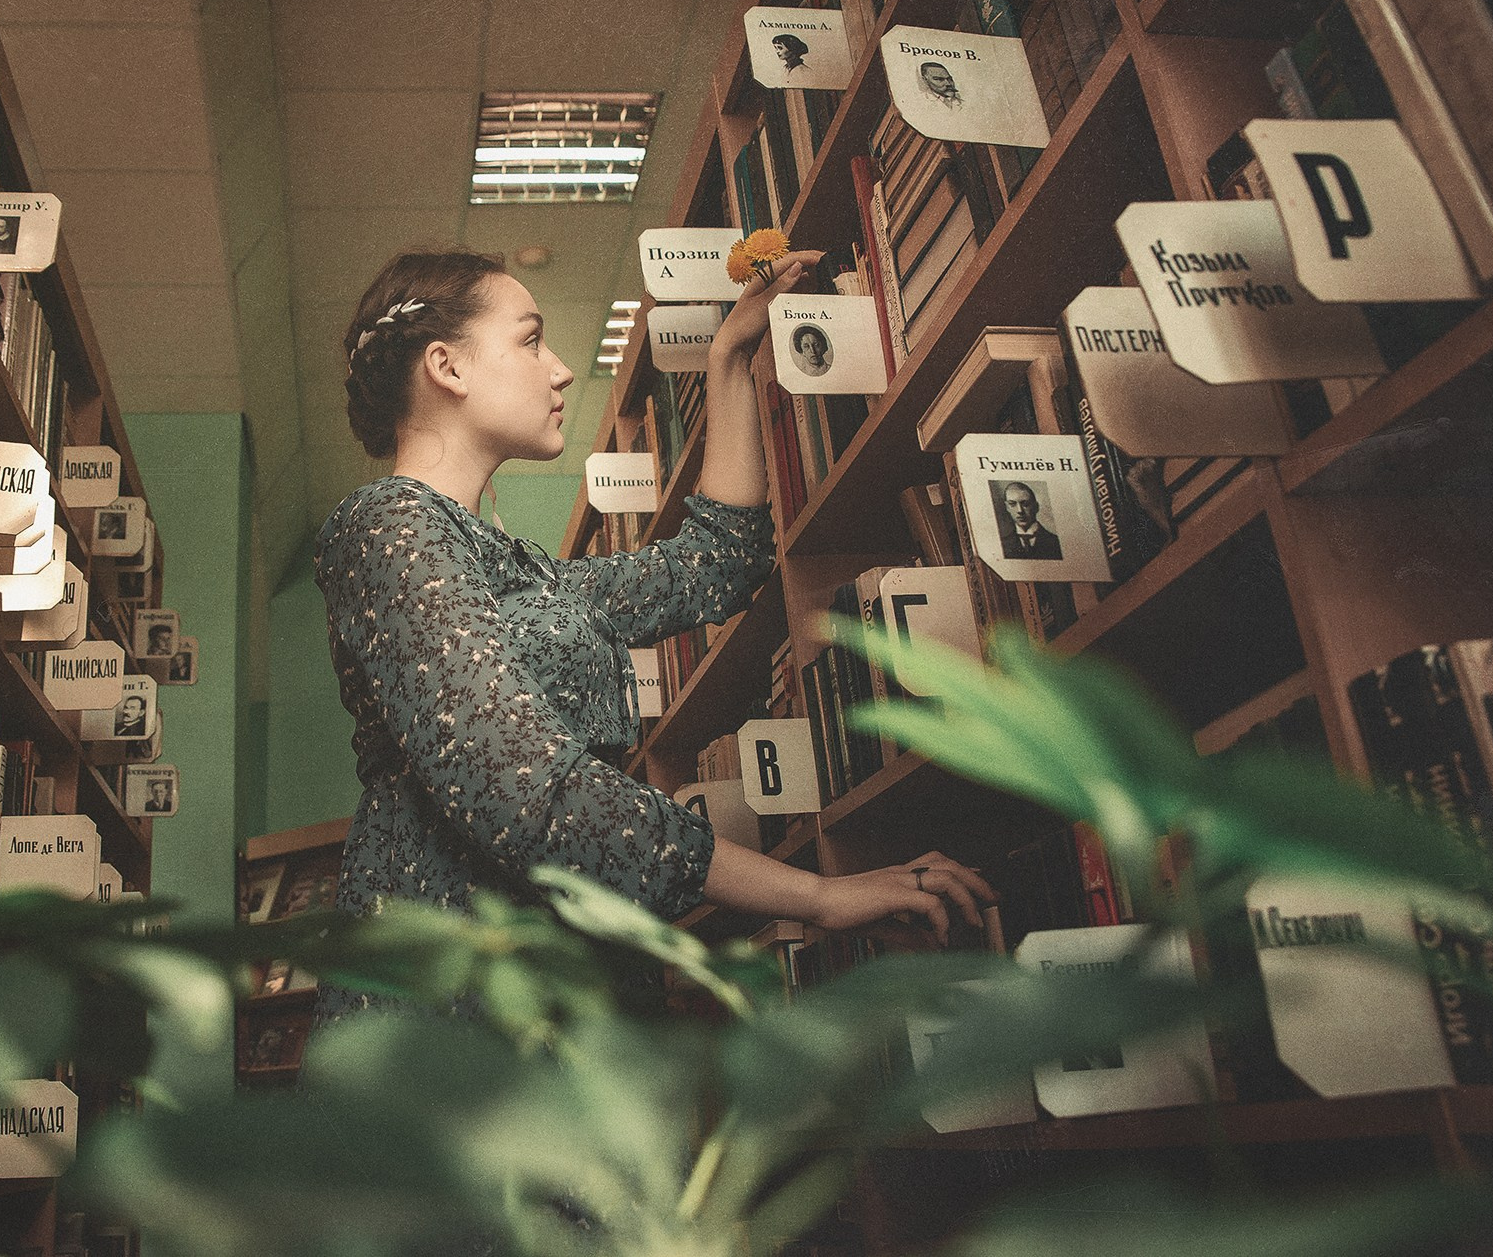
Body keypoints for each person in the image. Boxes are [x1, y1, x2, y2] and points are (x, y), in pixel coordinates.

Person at [312, 248, 995, 1030]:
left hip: (571, 977)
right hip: (455, 995)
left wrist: (728, 358)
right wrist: (816, 894)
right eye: (532, 340)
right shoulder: (388, 528)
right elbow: (523, 785)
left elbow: (715, 565)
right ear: (447, 366)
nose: (561, 370)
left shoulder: (529, 574)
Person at [998, 481, 1063, 559]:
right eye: (1012, 504)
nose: (1020, 510)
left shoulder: (1056, 543)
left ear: (1036, 506)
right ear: (1007, 508)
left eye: (1025, 504)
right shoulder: (1001, 544)